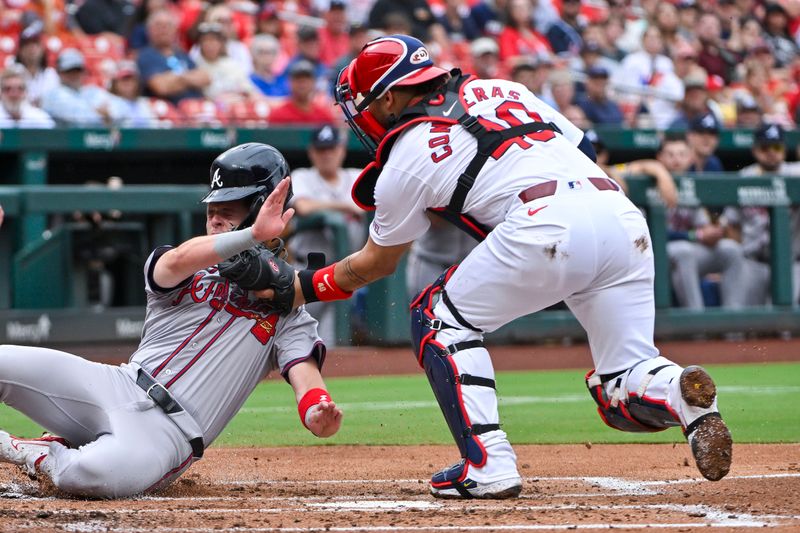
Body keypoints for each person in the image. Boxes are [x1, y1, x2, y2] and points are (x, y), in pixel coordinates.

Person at [258, 35, 733, 498]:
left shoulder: (406, 153)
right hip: (619, 215)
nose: (361, 116)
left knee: (438, 318)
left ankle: (488, 464)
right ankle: (681, 393)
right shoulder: (503, 88)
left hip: (545, 223)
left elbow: (376, 264)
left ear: (387, 98)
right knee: (623, 379)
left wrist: (300, 287)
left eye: (364, 103)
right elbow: (582, 149)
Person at [0, 143, 342, 498]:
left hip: (169, 435)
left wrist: (316, 409)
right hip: (117, 386)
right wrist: (250, 235)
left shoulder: (289, 314)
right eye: (213, 210)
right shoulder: (187, 264)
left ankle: (31, 451)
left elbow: (304, 372)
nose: (216, 220)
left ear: (264, 209)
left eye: (229, 210)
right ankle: (66, 441)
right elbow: (176, 261)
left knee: (86, 475)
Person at [289, 125, 366, 344]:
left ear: (341, 150)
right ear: (312, 152)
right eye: (321, 149)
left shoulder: (355, 177)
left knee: (331, 345)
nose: (326, 155)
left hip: (347, 273)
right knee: (298, 340)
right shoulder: (303, 176)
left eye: (331, 148)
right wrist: (347, 207)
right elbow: (303, 206)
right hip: (307, 273)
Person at [655, 135, 746, 309]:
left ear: (690, 157)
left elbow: (702, 226)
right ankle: (695, 319)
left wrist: (712, 233)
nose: (676, 160)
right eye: (671, 154)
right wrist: (696, 235)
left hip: (687, 250)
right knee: (684, 251)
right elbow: (651, 232)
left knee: (731, 249)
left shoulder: (692, 182)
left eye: (681, 154)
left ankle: (732, 324)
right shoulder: (649, 181)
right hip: (657, 253)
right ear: (660, 157)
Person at [723, 123, 800, 305]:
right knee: (738, 323)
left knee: (785, 327)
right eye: (765, 147)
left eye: (777, 147)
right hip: (753, 262)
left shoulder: (795, 173)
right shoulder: (744, 178)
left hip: (790, 264)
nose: (771, 152)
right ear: (755, 150)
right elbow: (731, 225)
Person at [42, 48, 126, 127]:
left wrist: (109, 113)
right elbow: (78, 119)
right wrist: (103, 116)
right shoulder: (53, 95)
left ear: (84, 72)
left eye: (77, 70)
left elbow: (122, 109)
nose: (74, 75)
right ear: (59, 73)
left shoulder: (91, 91)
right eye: (69, 71)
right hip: (65, 140)